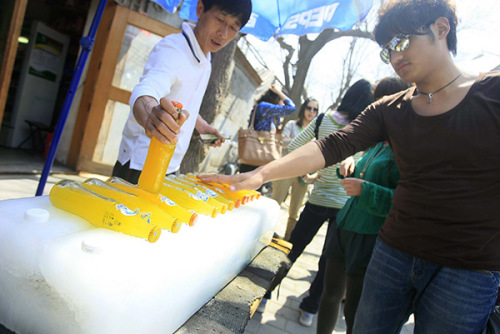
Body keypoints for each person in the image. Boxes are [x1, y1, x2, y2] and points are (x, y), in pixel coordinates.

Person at [198, 0, 500, 332]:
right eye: (387, 49)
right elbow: (333, 145)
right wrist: (259, 174)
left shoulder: (491, 91)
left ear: (441, 28)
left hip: (469, 268)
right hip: (393, 253)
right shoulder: (390, 109)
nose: (394, 56)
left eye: (401, 41)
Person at [258, 80, 374, 321]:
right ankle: (310, 308)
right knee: (328, 262)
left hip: (318, 199)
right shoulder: (365, 130)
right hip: (344, 205)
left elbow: (297, 147)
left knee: (292, 247)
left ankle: (264, 294)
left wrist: (309, 171)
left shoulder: (322, 120)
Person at [112, 0, 252, 184]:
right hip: (140, 166)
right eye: (220, 19)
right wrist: (151, 116)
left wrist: (202, 127)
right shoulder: (173, 50)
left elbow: (185, 102)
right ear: (200, 9)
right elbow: (147, 90)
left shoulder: (205, 58)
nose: (223, 34)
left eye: (233, 27)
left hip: (170, 167)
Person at [317, 77, 411, 334]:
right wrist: (348, 165)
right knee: (329, 295)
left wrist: (365, 189)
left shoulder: (408, 148)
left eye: (381, 100)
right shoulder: (379, 140)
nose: (376, 106)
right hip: (345, 224)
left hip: (369, 235)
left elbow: (407, 200)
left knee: (354, 310)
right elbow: (361, 171)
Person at [271, 98, 319, 241]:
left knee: (295, 211)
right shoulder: (292, 125)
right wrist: (303, 142)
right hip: (286, 170)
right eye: (309, 108)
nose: (311, 112)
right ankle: (267, 232)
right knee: (275, 203)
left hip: (303, 175)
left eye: (315, 109)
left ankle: (287, 240)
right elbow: (281, 142)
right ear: (304, 109)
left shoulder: (317, 132)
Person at [239, 83, 296, 174]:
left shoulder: (272, 115)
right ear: (277, 97)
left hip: (262, 158)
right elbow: (291, 108)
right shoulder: (264, 107)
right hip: (254, 155)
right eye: (283, 100)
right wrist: (278, 91)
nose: (283, 104)